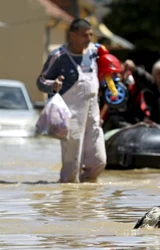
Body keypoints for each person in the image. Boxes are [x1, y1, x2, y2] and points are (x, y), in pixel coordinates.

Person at [36, 18, 106, 183]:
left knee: (99, 161)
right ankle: (71, 202)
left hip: (93, 114)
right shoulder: (59, 56)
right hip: (71, 117)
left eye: (91, 35)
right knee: (71, 168)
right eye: (85, 35)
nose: (89, 39)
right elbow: (40, 81)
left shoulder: (93, 52)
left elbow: (108, 67)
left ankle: (87, 194)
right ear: (72, 36)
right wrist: (52, 85)